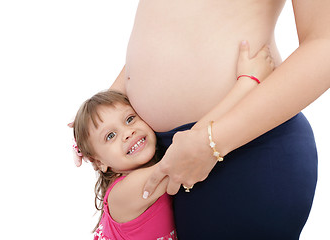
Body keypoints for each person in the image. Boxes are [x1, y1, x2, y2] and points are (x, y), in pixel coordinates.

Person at [77, 1, 330, 239]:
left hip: (242, 150)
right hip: (166, 149)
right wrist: (97, 119)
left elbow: (325, 43)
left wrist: (211, 142)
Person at [71, 43, 274, 239]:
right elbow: (190, 147)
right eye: (110, 136)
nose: (128, 132)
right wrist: (247, 83)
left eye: (130, 119)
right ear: (99, 163)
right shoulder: (122, 194)